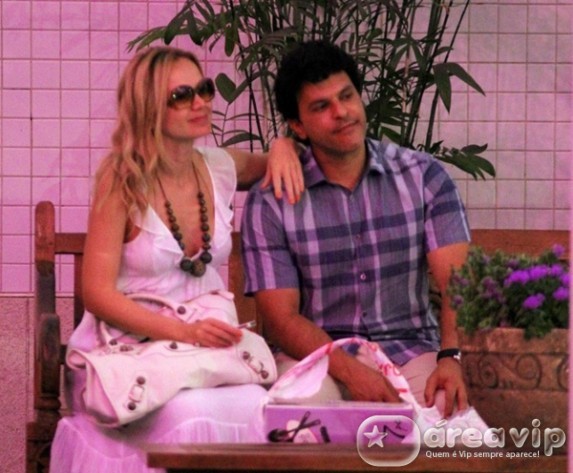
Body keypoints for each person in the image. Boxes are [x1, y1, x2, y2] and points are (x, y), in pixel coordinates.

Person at [50, 45, 303, 473]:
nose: (200, 102)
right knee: (192, 413)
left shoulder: (218, 166)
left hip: (204, 353)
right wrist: (185, 332)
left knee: (255, 403)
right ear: (149, 107)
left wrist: (282, 145)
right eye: (181, 96)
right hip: (131, 350)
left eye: (203, 89)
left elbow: (268, 162)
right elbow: (96, 292)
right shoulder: (122, 179)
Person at [241, 40, 471, 418]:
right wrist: (352, 372)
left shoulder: (423, 176)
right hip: (316, 357)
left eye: (346, 96)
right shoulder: (271, 201)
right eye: (321, 106)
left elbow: (457, 283)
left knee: (448, 413)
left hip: (411, 349)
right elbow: (282, 320)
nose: (341, 112)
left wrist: (451, 356)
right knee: (298, 414)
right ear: (298, 126)